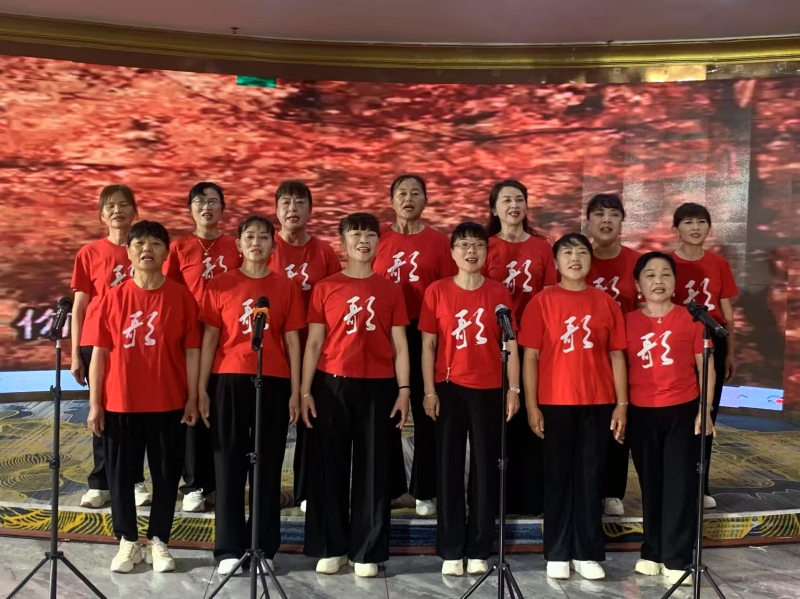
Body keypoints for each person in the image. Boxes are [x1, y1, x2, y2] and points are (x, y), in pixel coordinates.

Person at [86, 221, 201, 574]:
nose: (146, 249)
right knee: (121, 476)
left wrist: (193, 397)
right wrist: (95, 403)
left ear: (166, 252)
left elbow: (192, 352)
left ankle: (159, 540)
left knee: (166, 475)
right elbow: (99, 354)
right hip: (121, 403)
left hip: (168, 402)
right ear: (128, 251)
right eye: (139, 243)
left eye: (155, 243)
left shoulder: (181, 297)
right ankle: (127, 541)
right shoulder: (112, 298)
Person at [300, 213, 410, 578]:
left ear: (379, 242)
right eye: (356, 235)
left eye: (369, 235)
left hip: (379, 387)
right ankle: (330, 547)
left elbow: (400, 344)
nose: (363, 241)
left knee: (374, 470)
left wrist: (404, 390)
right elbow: (314, 342)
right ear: (343, 243)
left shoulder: (390, 289)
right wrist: (304, 390)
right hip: (331, 385)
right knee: (328, 466)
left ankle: (367, 551)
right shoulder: (325, 287)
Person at [199, 216, 305, 576]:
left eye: (263, 237)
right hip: (228, 379)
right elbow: (210, 339)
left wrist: (296, 391)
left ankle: (262, 544)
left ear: (274, 246)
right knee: (228, 462)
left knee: (268, 464)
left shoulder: (285, 287)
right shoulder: (220, 284)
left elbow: (292, 342)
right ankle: (229, 547)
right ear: (239, 245)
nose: (256, 242)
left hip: (273, 381)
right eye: (249, 237)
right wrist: (201, 389)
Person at [519, 232, 628, 581]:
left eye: (581, 252)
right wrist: (532, 405)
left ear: (591, 261)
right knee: (557, 478)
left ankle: (587, 552)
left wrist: (622, 404)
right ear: (555, 262)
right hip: (555, 402)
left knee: (591, 477)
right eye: (567, 253)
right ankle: (557, 551)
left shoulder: (606, 302)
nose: (575, 259)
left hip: (598, 401)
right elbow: (530, 357)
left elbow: (617, 355)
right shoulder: (541, 302)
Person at [419, 222, 520, 576]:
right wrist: (429, 391)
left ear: (487, 252)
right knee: (448, 468)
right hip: (448, 387)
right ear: (452, 252)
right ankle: (450, 548)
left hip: (489, 388)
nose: (471, 251)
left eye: (478, 245)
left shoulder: (498, 292)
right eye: (463, 245)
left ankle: (479, 548)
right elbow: (428, 345)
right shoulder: (437, 291)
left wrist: (513, 389)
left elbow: (510, 343)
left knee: (485, 469)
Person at [626, 251, 716, 587]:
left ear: (675, 283)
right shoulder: (627, 321)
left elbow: (706, 366)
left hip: (683, 409)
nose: (658, 281)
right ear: (638, 285)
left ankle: (677, 558)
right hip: (641, 410)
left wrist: (705, 408)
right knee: (651, 483)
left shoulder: (692, 320)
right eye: (650, 275)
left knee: (680, 483)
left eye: (665, 274)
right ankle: (652, 551)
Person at [373, 174, 455, 517]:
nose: (408, 199)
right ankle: (390, 487)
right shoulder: (376, 236)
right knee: (384, 410)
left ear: (426, 200)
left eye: (416, 193)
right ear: (391, 200)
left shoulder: (438, 242)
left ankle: (425, 489)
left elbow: (449, 290)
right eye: (402, 193)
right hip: (381, 332)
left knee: (426, 410)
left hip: (423, 332)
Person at [70, 184, 150, 509]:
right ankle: (100, 482)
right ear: (102, 215)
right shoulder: (89, 253)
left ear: (135, 212)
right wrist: (75, 353)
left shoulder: (146, 250)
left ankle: (135, 480)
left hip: (135, 341)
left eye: (123, 205)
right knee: (100, 411)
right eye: (110, 206)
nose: (117, 211)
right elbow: (79, 307)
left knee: (136, 413)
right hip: (97, 343)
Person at [164, 182, 241, 513]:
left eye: (213, 201)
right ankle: (194, 484)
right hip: (191, 340)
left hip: (229, 340)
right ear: (190, 209)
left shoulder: (235, 246)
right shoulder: (179, 247)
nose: (206, 207)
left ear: (223, 208)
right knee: (193, 407)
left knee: (222, 410)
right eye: (199, 202)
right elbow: (168, 292)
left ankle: (221, 482)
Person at [268, 180, 341, 515]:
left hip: (314, 350)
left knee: (311, 420)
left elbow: (337, 298)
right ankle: (266, 488)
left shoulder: (324, 252)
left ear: (310, 210)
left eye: (299, 202)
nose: (292, 209)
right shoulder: (265, 247)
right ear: (276, 209)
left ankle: (307, 489)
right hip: (274, 349)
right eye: (285, 202)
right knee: (271, 424)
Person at [483, 179, 555, 516]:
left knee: (531, 413)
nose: (514, 205)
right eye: (506, 200)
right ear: (494, 208)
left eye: (520, 199)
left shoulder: (542, 247)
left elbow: (551, 295)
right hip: (493, 342)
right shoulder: (484, 246)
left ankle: (531, 496)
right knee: (499, 417)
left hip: (534, 342)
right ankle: (498, 496)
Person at [669, 202, 738, 510]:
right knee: (679, 414)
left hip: (713, 340)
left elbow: (727, 313)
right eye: (688, 222)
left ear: (709, 227)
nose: (695, 227)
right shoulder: (667, 263)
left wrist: (730, 352)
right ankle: (675, 481)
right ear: (676, 229)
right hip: (677, 343)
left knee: (706, 413)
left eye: (701, 222)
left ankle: (701, 485)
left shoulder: (718, 263)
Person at [585, 193, 642, 517]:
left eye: (613, 214)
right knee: (590, 423)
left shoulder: (636, 262)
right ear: (588, 222)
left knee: (621, 419)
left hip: (625, 354)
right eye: (598, 214)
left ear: (622, 221)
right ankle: (588, 486)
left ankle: (612, 490)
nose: (606, 220)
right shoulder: (578, 257)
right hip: (585, 354)